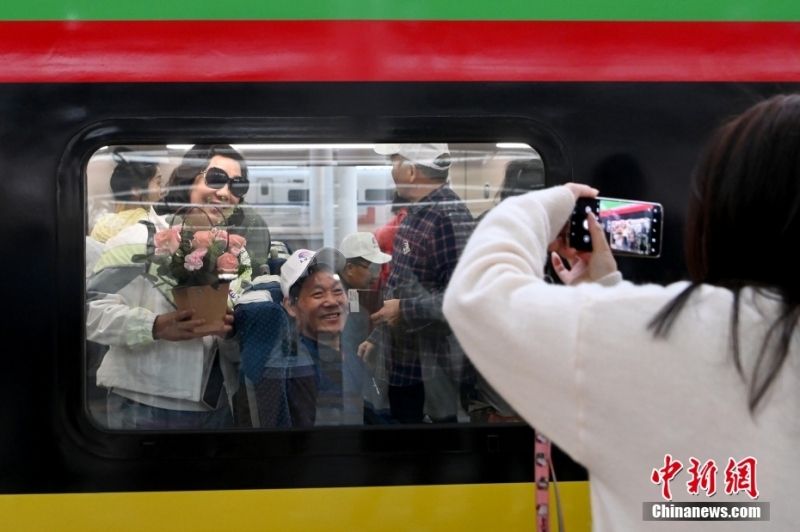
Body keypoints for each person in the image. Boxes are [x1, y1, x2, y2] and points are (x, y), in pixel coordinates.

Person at [443, 95, 800, 530]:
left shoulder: (672, 333)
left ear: (726, 214)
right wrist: (607, 293)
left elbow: (477, 296)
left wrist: (542, 205)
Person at [86, 145, 252, 429]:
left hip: (219, 405)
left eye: (238, 185)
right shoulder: (139, 241)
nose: (225, 192)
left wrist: (232, 332)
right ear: (189, 178)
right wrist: (154, 326)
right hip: (145, 405)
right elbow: (90, 313)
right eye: (215, 178)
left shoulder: (236, 254)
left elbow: (237, 333)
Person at [362, 143, 474, 424]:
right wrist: (378, 337)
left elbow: (463, 299)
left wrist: (404, 311)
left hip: (433, 374)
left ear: (411, 171)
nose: (391, 169)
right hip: (406, 367)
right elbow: (400, 286)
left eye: (394, 161)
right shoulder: (418, 215)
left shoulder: (448, 218)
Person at [90, 147, 164, 243]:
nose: (162, 190)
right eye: (158, 183)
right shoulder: (148, 225)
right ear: (137, 190)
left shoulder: (101, 225)